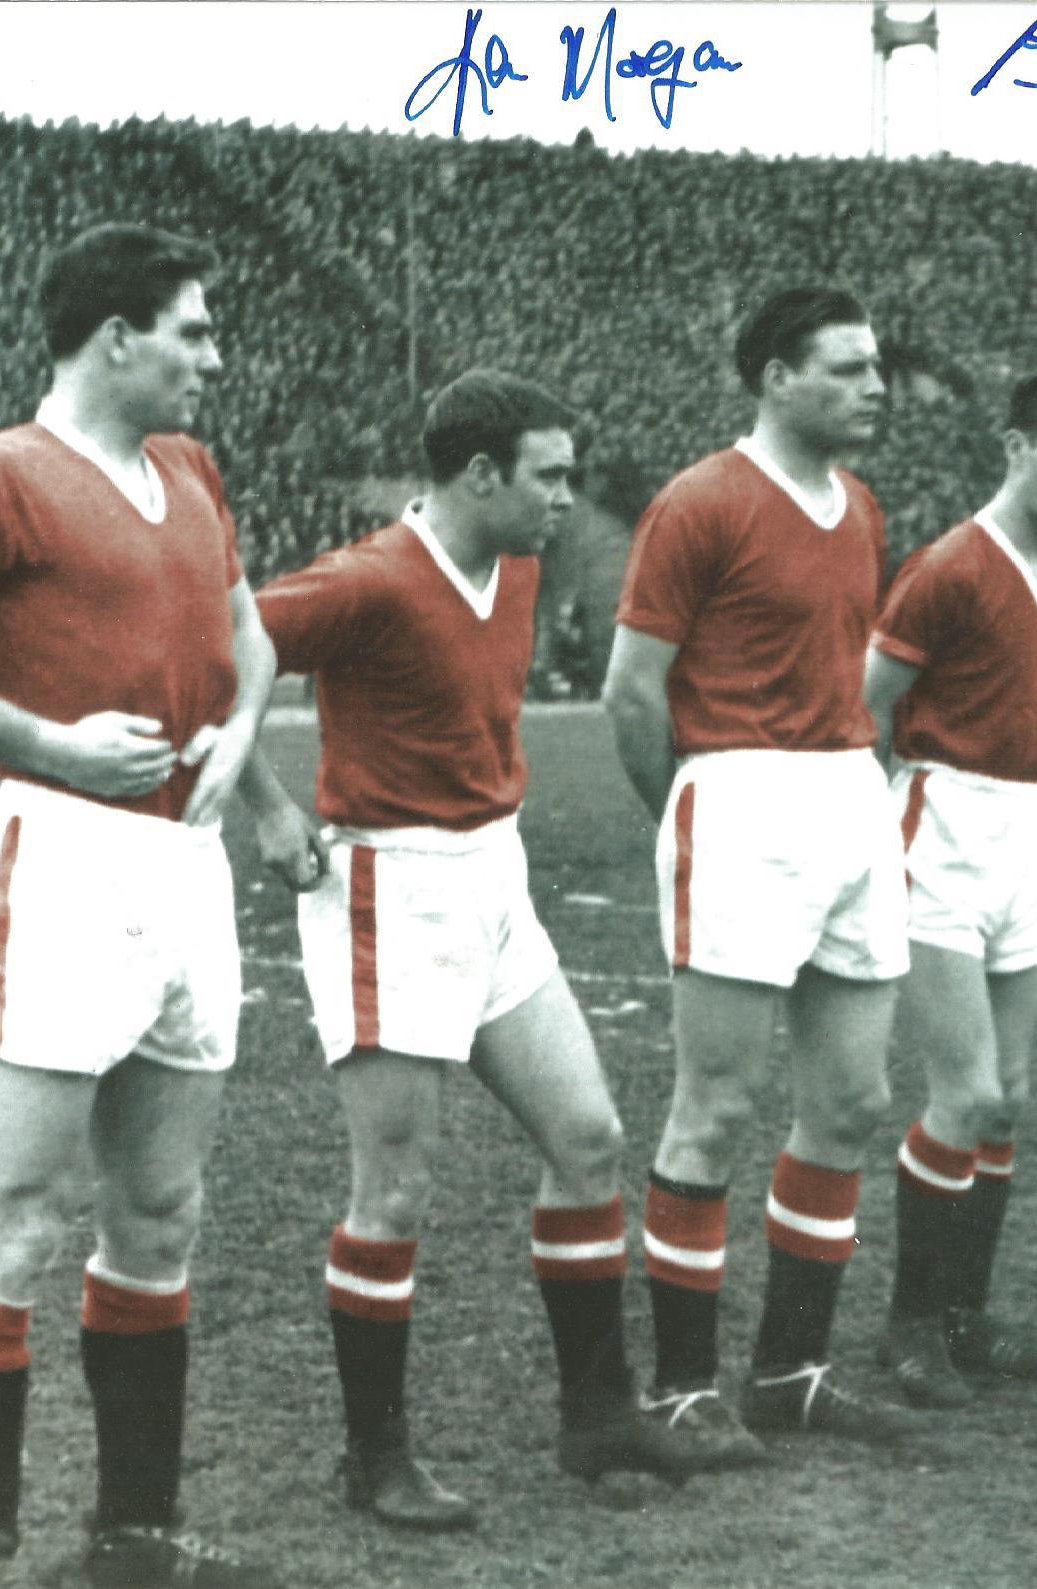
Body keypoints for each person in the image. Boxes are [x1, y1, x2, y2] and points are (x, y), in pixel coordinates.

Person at [0, 224, 276, 1589]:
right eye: (193, 332)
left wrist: (240, 731)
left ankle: (135, 1544)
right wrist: (51, 745)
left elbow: (247, 629)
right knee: (20, 1212)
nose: (213, 356)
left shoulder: (191, 470)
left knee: (161, 1211)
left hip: (182, 874)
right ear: (116, 338)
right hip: (63, 857)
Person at [236, 371, 716, 1529]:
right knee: (393, 1190)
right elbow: (218, 650)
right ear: (479, 473)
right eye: (549, 474)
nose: (568, 494)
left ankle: (596, 1413)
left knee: (588, 1134)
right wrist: (262, 805)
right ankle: (375, 1457)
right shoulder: (367, 579)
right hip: (387, 888)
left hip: (494, 873)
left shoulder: (520, 562)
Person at [601, 286, 919, 1452]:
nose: (873, 385)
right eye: (845, 367)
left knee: (851, 1100)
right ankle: (686, 1387)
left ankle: (791, 1370)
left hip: (849, 793)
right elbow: (632, 690)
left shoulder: (862, 506)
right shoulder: (703, 499)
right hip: (738, 794)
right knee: (717, 1105)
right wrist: (689, 806)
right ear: (776, 375)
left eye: (874, 365)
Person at [861, 371, 1037, 1405]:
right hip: (941, 822)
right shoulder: (949, 565)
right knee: (962, 1091)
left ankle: (966, 1312)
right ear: (1016, 447)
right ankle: (910, 1323)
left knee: (1005, 1098)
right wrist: (874, 819)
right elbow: (863, 703)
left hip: (1025, 826)